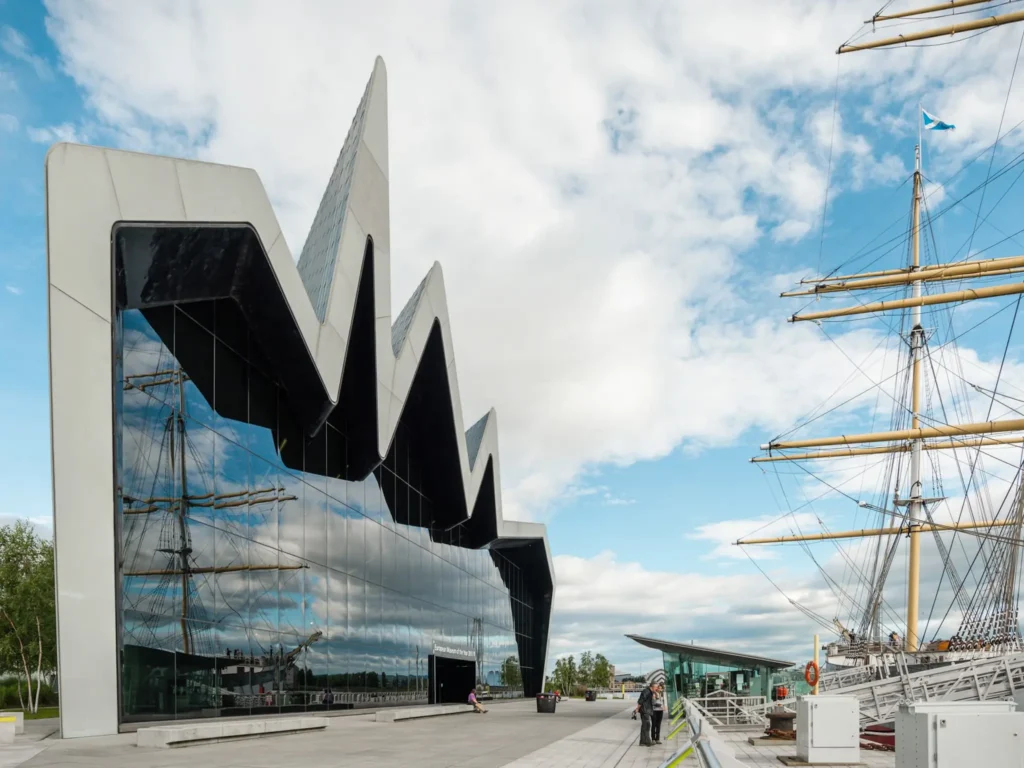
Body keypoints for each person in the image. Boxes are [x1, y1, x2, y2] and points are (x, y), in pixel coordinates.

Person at [634, 681, 655, 747]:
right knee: (647, 726)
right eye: (656, 687)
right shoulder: (646, 691)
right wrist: (637, 708)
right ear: (652, 687)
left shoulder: (650, 692)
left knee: (644, 726)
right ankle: (648, 742)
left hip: (646, 710)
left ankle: (642, 742)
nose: (657, 688)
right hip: (645, 711)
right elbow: (641, 700)